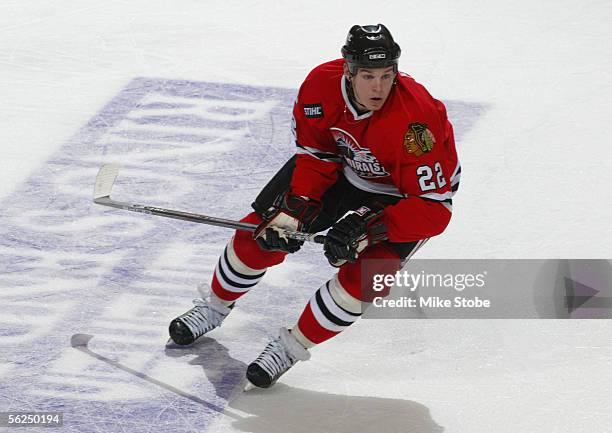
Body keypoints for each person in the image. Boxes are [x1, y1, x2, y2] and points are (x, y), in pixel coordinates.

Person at [168, 23, 460, 389]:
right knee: (261, 233)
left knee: (366, 280)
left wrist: (370, 226)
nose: (378, 87)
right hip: (341, 168)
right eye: (368, 75)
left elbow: (434, 209)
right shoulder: (320, 86)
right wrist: (298, 207)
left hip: (404, 197)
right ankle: (213, 307)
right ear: (348, 70)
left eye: (387, 76)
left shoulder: (416, 121)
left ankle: (290, 348)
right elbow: (317, 155)